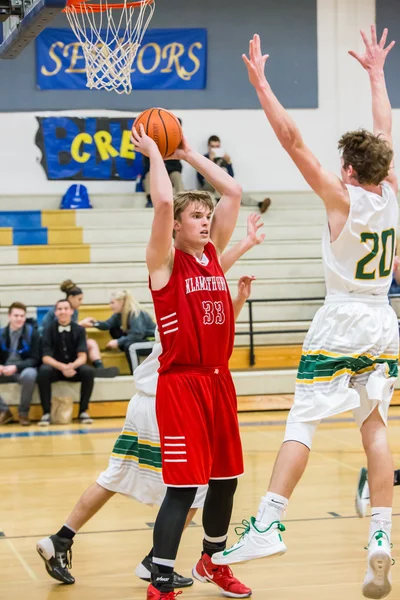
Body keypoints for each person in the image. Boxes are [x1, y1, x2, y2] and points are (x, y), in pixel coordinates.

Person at [213, 28, 398, 600]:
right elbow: (384, 131)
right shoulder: (392, 189)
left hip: (343, 316)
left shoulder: (341, 198)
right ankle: (382, 538)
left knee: (303, 420)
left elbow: (293, 141)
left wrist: (262, 84)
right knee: (375, 427)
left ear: (346, 170)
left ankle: (268, 522)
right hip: (384, 319)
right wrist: (374, 74)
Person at [35, 214, 264, 589]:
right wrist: (244, 245)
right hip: (167, 399)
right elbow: (215, 262)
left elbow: (216, 270)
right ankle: (156, 562)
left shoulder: (193, 281)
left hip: (146, 400)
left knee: (116, 475)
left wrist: (247, 246)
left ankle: (61, 538)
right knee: (194, 486)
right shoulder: (176, 280)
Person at [130, 121, 252, 600]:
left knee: (227, 481)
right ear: (177, 227)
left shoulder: (213, 257)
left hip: (219, 382)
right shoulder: (164, 263)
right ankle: (160, 581)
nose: (206, 220)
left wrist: (185, 152)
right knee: (183, 488)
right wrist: (157, 155)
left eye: (208, 215)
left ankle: (213, 560)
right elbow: (164, 202)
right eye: (196, 216)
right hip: (181, 385)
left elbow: (234, 190)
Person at [40, 280, 119, 378]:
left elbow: (72, 329)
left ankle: (100, 368)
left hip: (70, 343)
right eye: (79, 299)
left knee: (91, 343)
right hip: (55, 344)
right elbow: (61, 327)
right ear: (71, 298)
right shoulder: (59, 311)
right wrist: (81, 324)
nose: (81, 302)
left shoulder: (75, 311)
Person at [37, 299, 95, 426]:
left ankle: (83, 412)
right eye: (59, 309)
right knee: (43, 371)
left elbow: (83, 356)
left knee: (88, 371)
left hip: (74, 368)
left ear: (72, 311)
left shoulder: (79, 330)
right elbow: (46, 357)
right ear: (55, 312)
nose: (63, 312)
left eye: (66, 308)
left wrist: (72, 366)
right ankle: (46, 413)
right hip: (56, 369)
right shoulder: (48, 330)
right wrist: (62, 367)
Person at [84, 291, 156, 374]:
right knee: (114, 329)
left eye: (112, 303)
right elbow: (107, 324)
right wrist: (93, 323)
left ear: (121, 302)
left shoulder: (136, 313)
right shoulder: (119, 314)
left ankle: (136, 374)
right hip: (140, 340)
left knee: (130, 347)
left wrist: (118, 341)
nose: (110, 306)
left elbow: (137, 335)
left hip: (150, 341)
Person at [0, 302, 40, 426]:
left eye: (22, 316)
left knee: (30, 375)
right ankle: (4, 411)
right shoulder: (1, 333)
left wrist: (16, 367)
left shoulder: (32, 333)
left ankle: (23, 412)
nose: (19, 319)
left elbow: (35, 359)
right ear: (9, 316)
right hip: (4, 369)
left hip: (23, 368)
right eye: (16, 316)